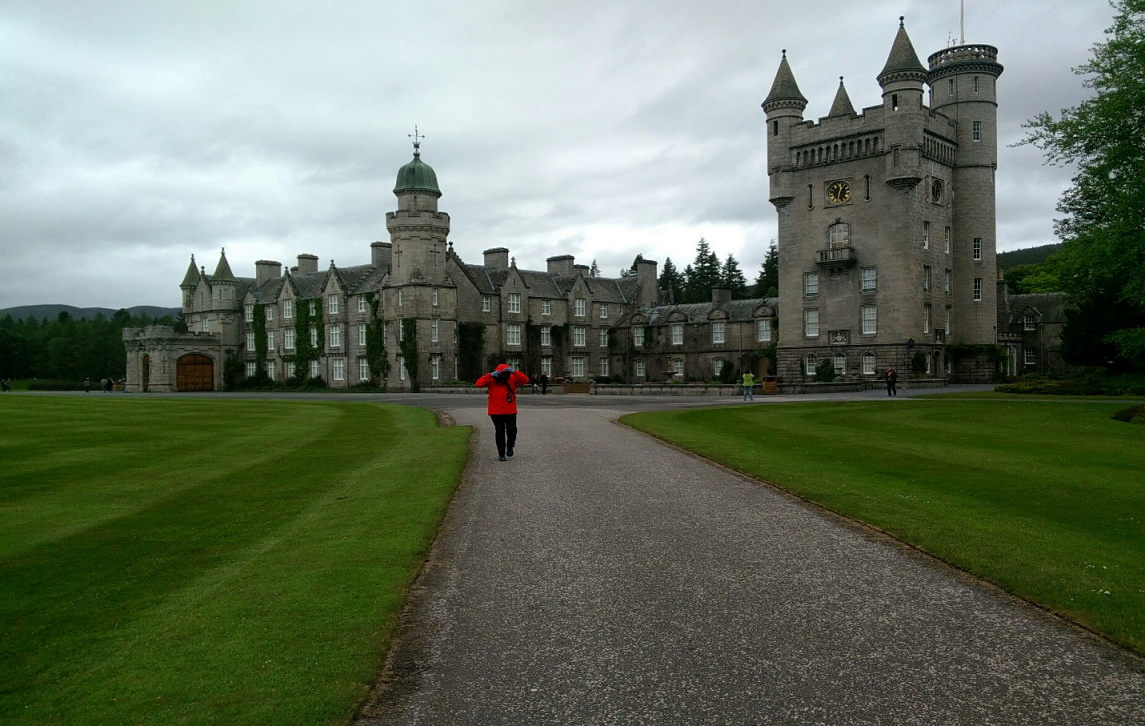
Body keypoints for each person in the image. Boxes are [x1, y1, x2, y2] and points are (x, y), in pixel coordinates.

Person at [476, 364, 530, 461]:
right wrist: (490, 375)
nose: (503, 375)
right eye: (501, 374)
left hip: (510, 409)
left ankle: (510, 446)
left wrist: (514, 372)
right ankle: (501, 453)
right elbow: (478, 384)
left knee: (512, 430)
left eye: (505, 373)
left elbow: (525, 380)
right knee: (500, 432)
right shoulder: (492, 379)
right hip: (496, 411)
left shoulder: (513, 377)